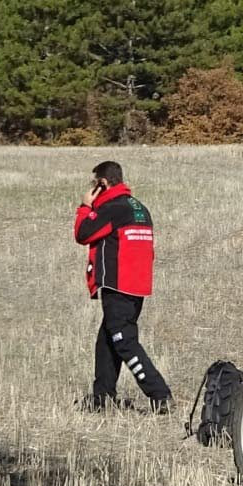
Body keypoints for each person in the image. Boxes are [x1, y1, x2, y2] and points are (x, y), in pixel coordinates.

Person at [74, 161, 172, 412]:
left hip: (118, 286)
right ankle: (102, 398)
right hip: (137, 285)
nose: (91, 189)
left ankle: (160, 396)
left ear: (102, 184)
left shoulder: (112, 208)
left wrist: (85, 206)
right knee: (106, 340)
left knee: (123, 341)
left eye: (93, 184)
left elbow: (83, 233)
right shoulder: (138, 207)